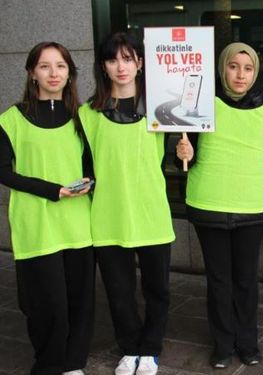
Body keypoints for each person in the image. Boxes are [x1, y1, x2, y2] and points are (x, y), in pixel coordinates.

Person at [175, 42, 263, 369]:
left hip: (253, 209)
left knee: (246, 281)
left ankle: (248, 343)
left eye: (248, 68)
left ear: (256, 72)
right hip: (209, 206)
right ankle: (223, 344)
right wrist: (182, 153)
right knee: (219, 281)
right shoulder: (200, 105)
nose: (240, 74)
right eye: (233, 66)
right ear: (222, 68)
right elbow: (186, 155)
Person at [79, 32, 175, 375]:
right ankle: (130, 348)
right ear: (103, 67)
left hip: (151, 211)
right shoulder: (87, 114)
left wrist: (186, 152)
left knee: (157, 289)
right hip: (108, 213)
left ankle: (151, 349)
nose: (121, 66)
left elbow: (181, 156)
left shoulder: (162, 110)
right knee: (119, 292)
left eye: (128, 58)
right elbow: (83, 165)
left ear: (141, 63)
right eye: (112, 59)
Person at [0, 42, 94, 375]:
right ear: (31, 73)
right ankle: (49, 363)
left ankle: (73, 364)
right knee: (45, 304)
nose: (53, 73)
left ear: (70, 73)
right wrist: (52, 190)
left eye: (61, 66)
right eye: (44, 66)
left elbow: (92, 166)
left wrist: (88, 183)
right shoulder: (11, 119)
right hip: (36, 224)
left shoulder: (82, 118)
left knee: (80, 301)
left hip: (78, 224)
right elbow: (3, 171)